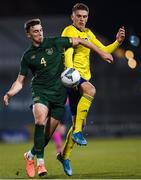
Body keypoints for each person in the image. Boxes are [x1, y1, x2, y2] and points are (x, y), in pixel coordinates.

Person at [3, 18, 113, 178]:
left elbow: (82, 41)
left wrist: (102, 52)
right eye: (35, 31)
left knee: (46, 136)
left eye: (40, 30)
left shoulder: (55, 42)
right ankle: (40, 164)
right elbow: (19, 81)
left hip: (59, 95)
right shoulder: (27, 56)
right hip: (40, 91)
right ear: (28, 35)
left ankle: (30, 155)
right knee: (40, 120)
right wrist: (10, 93)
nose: (39, 33)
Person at [57, 3, 125, 176]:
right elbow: (67, 53)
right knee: (91, 90)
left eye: (84, 16)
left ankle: (64, 155)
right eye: (78, 16)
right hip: (72, 76)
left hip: (82, 77)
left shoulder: (88, 33)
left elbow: (103, 50)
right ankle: (77, 133)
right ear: (72, 16)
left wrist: (117, 42)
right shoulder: (69, 31)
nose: (81, 19)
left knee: (80, 121)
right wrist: (70, 72)